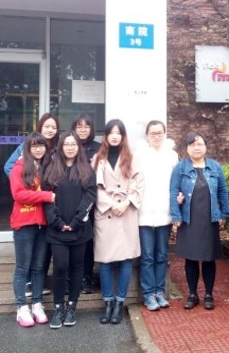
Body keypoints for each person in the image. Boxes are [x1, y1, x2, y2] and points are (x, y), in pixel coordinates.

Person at [169, 131, 229, 311]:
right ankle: (192, 294)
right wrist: (176, 216)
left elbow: (222, 191)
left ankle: (209, 294)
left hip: (209, 220)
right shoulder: (180, 168)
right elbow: (173, 191)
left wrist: (224, 214)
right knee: (191, 259)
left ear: (206, 147)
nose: (196, 147)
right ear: (187, 148)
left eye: (200, 144)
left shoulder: (215, 167)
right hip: (189, 221)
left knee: (209, 258)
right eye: (193, 144)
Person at [42, 130, 97, 329]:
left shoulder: (86, 170)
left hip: (80, 229)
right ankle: (58, 307)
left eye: (74, 144)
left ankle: (72, 306)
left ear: (78, 147)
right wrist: (57, 222)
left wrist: (76, 221)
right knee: (60, 266)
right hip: (56, 229)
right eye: (67, 144)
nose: (70, 147)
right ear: (61, 147)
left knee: (76, 268)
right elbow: (46, 198)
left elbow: (90, 196)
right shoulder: (51, 170)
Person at [92, 119, 144, 324]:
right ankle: (107, 302)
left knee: (125, 259)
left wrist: (126, 202)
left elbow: (140, 184)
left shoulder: (132, 157)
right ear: (105, 136)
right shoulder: (98, 158)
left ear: (123, 136)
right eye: (111, 132)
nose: (114, 136)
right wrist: (111, 203)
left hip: (126, 212)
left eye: (118, 133)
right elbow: (94, 188)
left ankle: (119, 303)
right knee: (104, 260)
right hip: (106, 213)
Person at [4, 112, 60, 297]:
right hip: (31, 207)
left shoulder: (56, 148)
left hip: (46, 209)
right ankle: (27, 286)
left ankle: (38, 286)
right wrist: (28, 185)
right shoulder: (26, 146)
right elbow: (9, 167)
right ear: (40, 127)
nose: (50, 130)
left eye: (54, 127)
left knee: (41, 253)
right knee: (26, 256)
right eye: (47, 126)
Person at [9, 132, 56, 327]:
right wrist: (46, 196)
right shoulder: (19, 167)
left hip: (42, 224)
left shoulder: (47, 168)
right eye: (34, 146)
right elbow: (19, 194)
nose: (38, 149)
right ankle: (21, 307)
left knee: (38, 267)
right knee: (23, 267)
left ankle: (37, 304)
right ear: (27, 148)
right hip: (24, 224)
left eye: (41, 145)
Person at [136, 120, 178, 311]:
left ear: (165, 134)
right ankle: (148, 294)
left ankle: (160, 291)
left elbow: (176, 182)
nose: (156, 136)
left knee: (161, 254)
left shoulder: (172, 155)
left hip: (164, 211)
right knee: (147, 256)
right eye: (153, 133)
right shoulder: (139, 155)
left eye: (160, 133)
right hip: (144, 212)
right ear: (147, 135)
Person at [70, 114, 101, 294]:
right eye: (79, 126)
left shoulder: (98, 148)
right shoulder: (68, 145)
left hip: (91, 200)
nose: (82, 130)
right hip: (70, 199)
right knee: (71, 239)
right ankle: (71, 277)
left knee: (88, 240)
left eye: (86, 126)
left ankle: (86, 276)